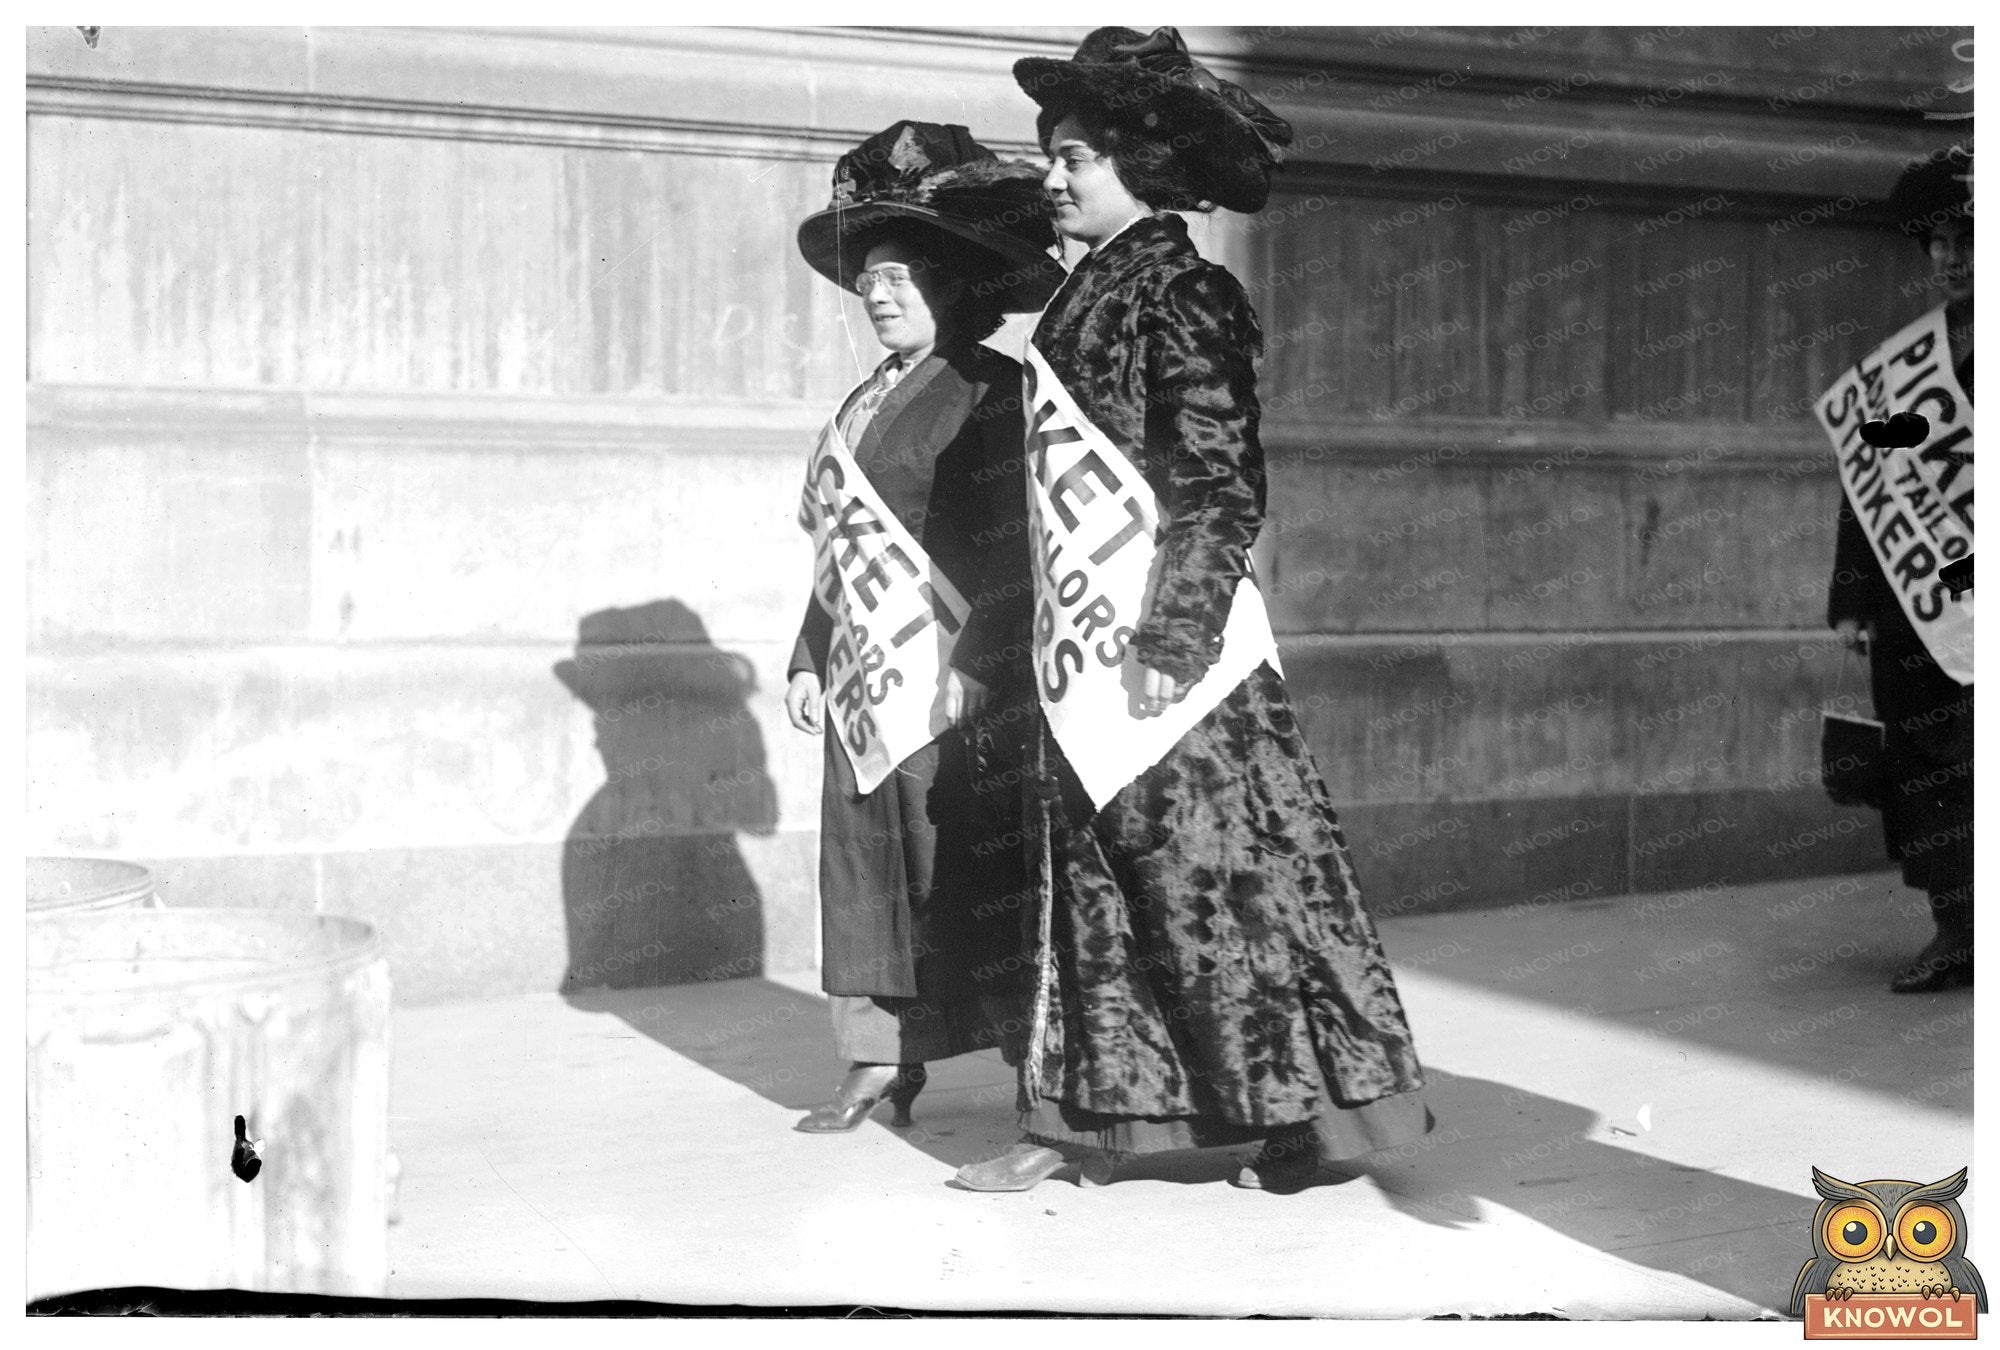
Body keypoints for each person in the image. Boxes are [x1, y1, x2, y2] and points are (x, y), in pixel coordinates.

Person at [953, 28, 1434, 1193]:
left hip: (1178, 657)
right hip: (1091, 643)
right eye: (1050, 157)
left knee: (1227, 886)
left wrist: (1172, 633)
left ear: (1139, 168)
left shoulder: (1182, 289)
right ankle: (1091, 1122)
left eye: (1071, 156)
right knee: (1116, 889)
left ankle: (1306, 1121)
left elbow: (1217, 481)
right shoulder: (1086, 296)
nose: (1051, 178)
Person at [786, 121, 1062, 1131]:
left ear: (954, 283)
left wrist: (981, 666)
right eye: (870, 276)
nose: (879, 291)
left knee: (969, 868)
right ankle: (876, 1057)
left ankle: (1039, 1068)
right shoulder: (860, 405)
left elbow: (1018, 549)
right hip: (866, 676)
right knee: (866, 863)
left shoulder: (996, 392)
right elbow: (838, 551)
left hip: (958, 678)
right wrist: (810, 654)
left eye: (903, 273)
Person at [1826, 146, 1973, 994]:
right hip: (1920, 606)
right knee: (1924, 771)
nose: (1949, 258)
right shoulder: (1910, 364)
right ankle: (1955, 925)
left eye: (1968, 238)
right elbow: (1868, 475)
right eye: (1937, 243)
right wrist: (1852, 598)